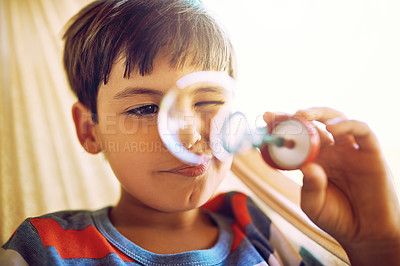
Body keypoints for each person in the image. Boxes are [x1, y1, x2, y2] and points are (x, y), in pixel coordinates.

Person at [1, 0, 400, 265]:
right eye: (145, 108)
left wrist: (375, 241)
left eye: (208, 101)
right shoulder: (44, 248)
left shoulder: (259, 227)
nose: (190, 136)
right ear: (90, 131)